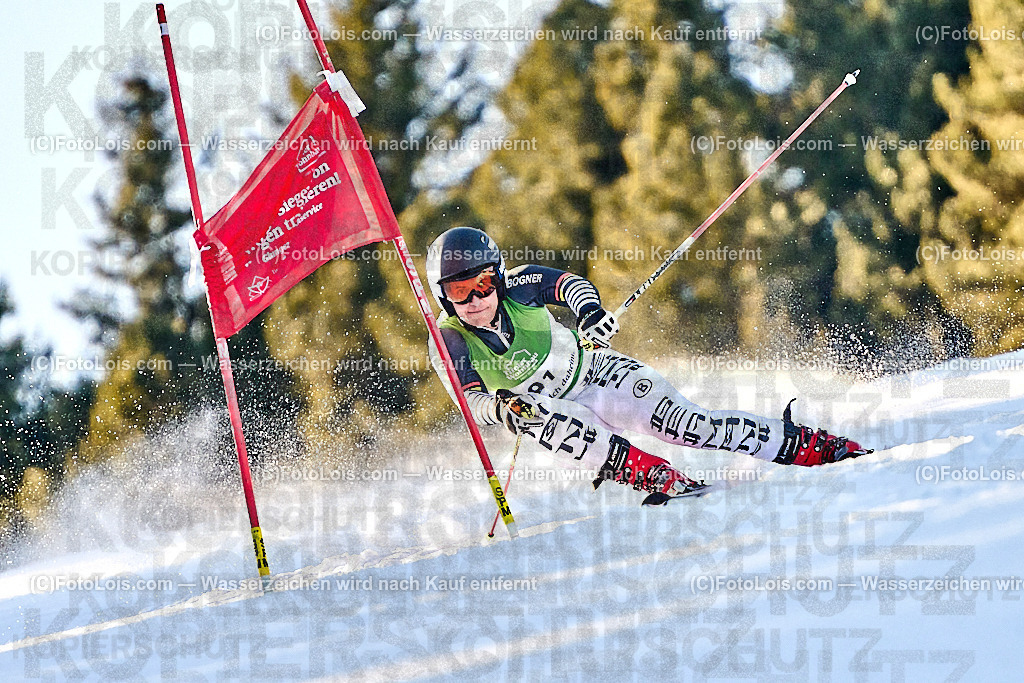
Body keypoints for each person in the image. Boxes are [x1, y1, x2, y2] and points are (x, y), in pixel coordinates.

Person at [426, 227, 870, 504]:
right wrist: (500, 408)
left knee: (689, 425)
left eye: (483, 283)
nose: (476, 300)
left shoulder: (521, 286)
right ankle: (653, 475)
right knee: (538, 416)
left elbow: (568, 285)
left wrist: (590, 313)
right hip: (544, 410)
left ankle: (807, 445)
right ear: (444, 295)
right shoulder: (447, 340)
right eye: (460, 291)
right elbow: (471, 402)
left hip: (593, 374)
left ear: (499, 277)